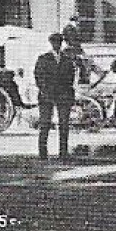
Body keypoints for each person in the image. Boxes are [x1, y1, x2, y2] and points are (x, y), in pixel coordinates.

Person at [34, 32, 79, 160]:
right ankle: (43, 153)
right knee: (45, 123)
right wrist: (45, 90)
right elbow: (38, 76)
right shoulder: (43, 58)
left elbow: (71, 77)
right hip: (47, 95)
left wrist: (68, 92)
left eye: (59, 43)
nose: (56, 45)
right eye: (54, 42)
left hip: (64, 95)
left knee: (64, 124)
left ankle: (63, 152)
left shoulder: (67, 60)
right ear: (51, 43)